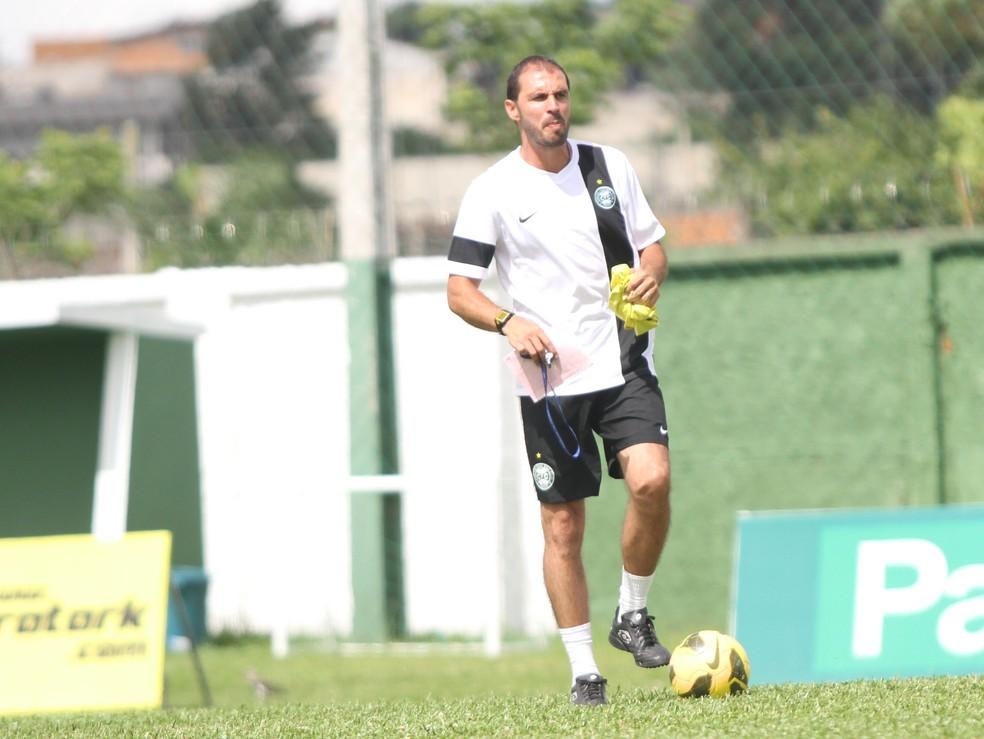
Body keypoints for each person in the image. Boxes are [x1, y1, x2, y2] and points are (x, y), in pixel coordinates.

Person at [446, 55, 672, 707]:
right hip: (547, 377)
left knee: (652, 479)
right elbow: (460, 290)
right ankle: (584, 671)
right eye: (539, 97)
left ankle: (632, 612)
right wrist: (507, 320)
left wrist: (653, 269)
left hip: (623, 360)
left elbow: (651, 244)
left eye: (561, 94)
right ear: (514, 109)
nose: (554, 106)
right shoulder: (493, 189)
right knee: (564, 526)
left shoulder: (609, 167)